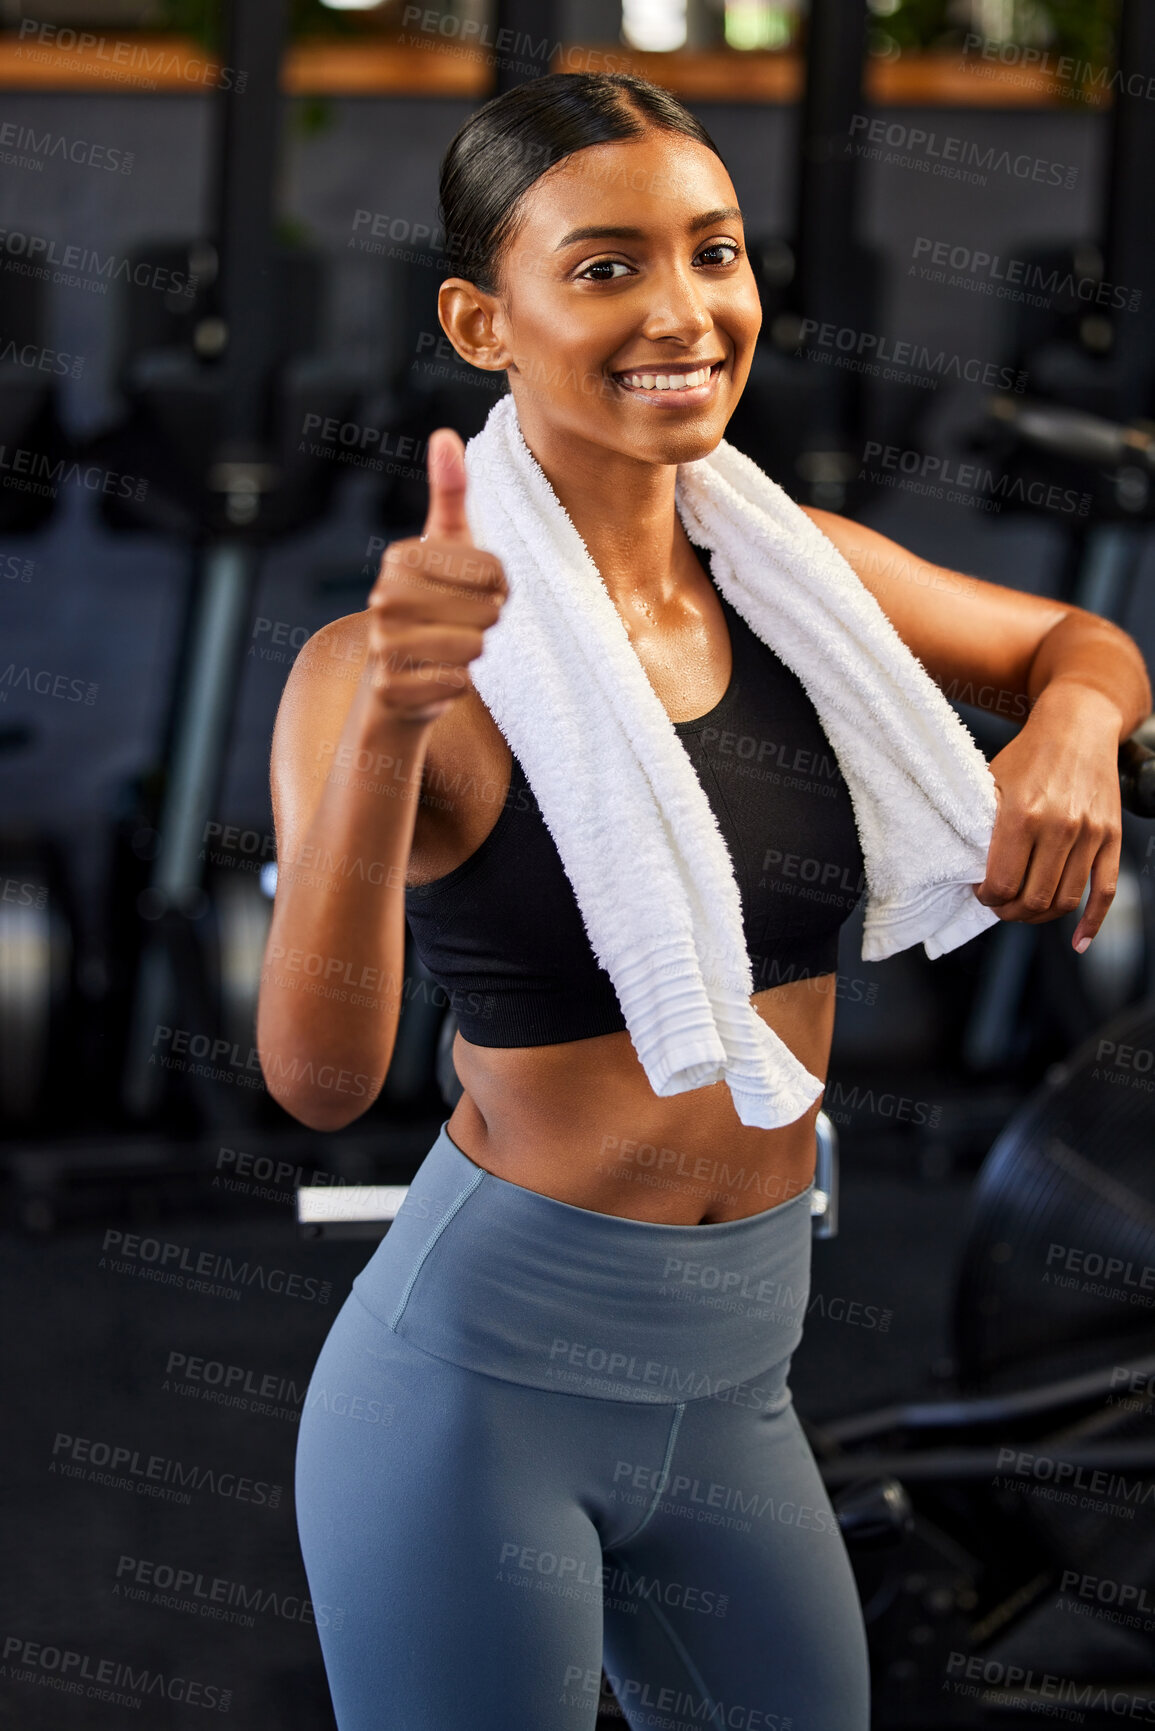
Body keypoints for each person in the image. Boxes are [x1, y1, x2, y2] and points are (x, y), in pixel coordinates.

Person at [259, 72, 1151, 1731]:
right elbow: (316, 1082)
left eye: (715, 254)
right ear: (481, 319)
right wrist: (389, 726)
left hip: (739, 1384)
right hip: (480, 1399)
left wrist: (1075, 732)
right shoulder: (383, 673)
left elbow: (1073, 646)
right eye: (606, 267)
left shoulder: (800, 568)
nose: (683, 312)